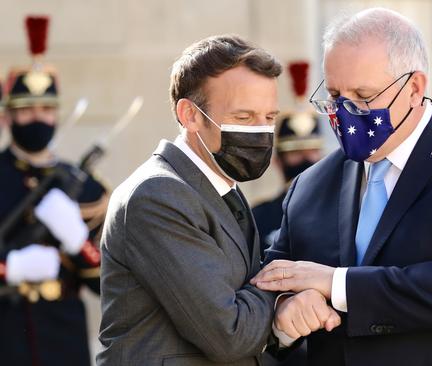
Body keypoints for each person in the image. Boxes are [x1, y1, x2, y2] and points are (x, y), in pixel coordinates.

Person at [251, 8, 432, 366]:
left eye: (363, 96)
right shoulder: (311, 186)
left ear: (415, 88)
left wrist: (339, 285)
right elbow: (272, 282)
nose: (346, 112)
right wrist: (284, 313)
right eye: (336, 96)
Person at [97, 34, 341, 366]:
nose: (260, 132)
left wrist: (286, 321)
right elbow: (229, 332)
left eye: (269, 118)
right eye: (244, 117)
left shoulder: (219, 188)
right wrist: (287, 288)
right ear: (190, 115)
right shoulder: (157, 195)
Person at [0, 16, 108, 366]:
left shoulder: (85, 186)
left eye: (46, 109)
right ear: (6, 118)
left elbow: (108, 282)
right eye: (25, 110)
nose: (37, 118)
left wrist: (79, 243)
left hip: (63, 336)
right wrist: (9, 268)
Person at [253, 61, 323, 253]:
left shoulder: (345, 212)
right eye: (295, 152)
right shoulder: (259, 216)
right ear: (277, 161)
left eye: (312, 151)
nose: (307, 159)